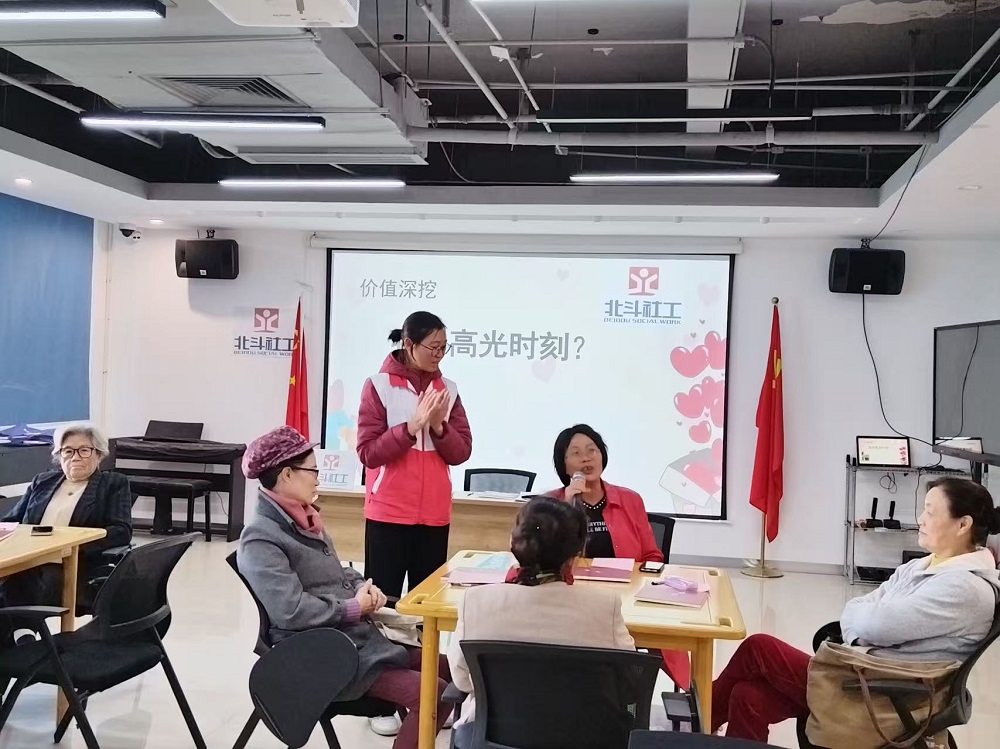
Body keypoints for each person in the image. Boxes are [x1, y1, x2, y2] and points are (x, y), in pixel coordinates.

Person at [713, 478, 1000, 742]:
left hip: (884, 694)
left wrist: (863, 627)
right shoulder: (922, 565)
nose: (920, 519)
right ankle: (700, 723)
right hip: (865, 673)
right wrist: (861, 629)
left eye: (930, 512)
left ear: (963, 524)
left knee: (759, 648)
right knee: (748, 696)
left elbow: (876, 625)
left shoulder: (966, 589)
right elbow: (860, 610)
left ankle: (697, 724)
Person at [237, 426, 452, 749]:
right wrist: (353, 607)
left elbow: (338, 573)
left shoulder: (304, 518)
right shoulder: (260, 538)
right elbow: (290, 611)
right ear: (286, 475)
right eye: (312, 470)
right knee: (434, 692)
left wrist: (364, 586)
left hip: (352, 639)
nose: (318, 478)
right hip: (319, 652)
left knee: (449, 670)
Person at [447, 496, 635, 729]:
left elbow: (463, 680)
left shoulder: (476, 601)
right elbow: (629, 680)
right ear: (575, 555)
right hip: (586, 734)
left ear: (514, 542)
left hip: (495, 734)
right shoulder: (605, 605)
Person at [549, 424, 687, 686]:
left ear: (602, 455)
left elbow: (652, 555)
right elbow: (546, 558)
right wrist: (567, 507)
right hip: (571, 600)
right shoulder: (551, 504)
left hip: (626, 600)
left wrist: (643, 586)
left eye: (592, 450)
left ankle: (679, 696)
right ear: (564, 466)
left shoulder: (630, 500)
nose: (586, 458)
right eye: (576, 453)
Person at [357, 310, 473, 602]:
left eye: (443, 347)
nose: (439, 354)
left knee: (427, 605)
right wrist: (411, 428)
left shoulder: (448, 390)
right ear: (409, 344)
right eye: (432, 347)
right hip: (389, 513)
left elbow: (462, 451)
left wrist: (438, 427)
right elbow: (368, 452)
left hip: (434, 514)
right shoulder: (379, 386)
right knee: (383, 604)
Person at [0, 422, 132, 621]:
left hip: (72, 565)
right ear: (59, 455)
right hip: (26, 561)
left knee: (14, 589)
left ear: (98, 454)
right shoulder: (42, 481)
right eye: (68, 451)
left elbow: (121, 531)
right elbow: (11, 521)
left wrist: (70, 544)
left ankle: (22, 633)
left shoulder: (113, 484)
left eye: (84, 450)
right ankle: (20, 635)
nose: (75, 457)